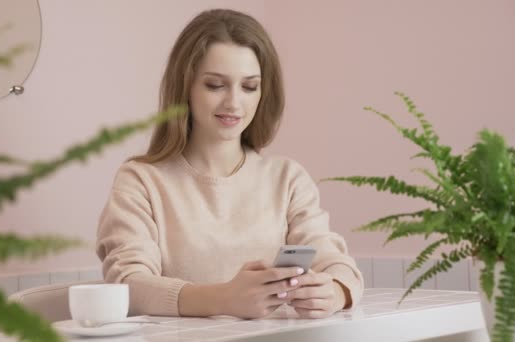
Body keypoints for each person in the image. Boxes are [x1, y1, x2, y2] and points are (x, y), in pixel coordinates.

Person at [96, 8, 363, 319]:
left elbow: (338, 266)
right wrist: (224, 299)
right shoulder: (140, 180)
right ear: (186, 88)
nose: (234, 103)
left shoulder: (287, 179)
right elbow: (128, 286)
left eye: (249, 86)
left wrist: (334, 292)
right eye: (215, 85)